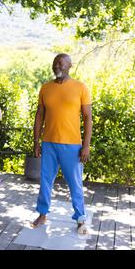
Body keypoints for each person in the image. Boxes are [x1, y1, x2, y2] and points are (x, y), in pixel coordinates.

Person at [31, 53, 92, 235]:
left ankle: (80, 218)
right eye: (54, 63)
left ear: (69, 65)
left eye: (60, 63)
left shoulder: (80, 87)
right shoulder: (45, 88)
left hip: (72, 145)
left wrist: (86, 145)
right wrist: (36, 141)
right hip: (48, 143)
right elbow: (39, 115)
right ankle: (42, 214)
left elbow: (88, 118)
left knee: (75, 183)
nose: (56, 66)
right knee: (45, 181)